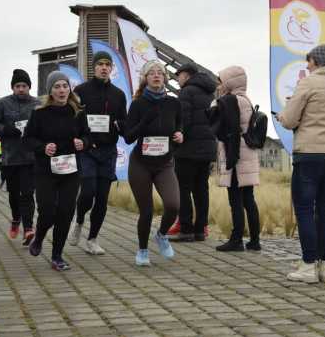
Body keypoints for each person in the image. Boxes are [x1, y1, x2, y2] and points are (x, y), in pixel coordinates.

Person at [276, 38, 325, 283]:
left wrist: (284, 114)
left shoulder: (308, 83)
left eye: (308, 62)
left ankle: (308, 266)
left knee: (305, 210)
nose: (307, 66)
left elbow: (290, 119)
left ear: (316, 61)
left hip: (309, 154)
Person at [24, 71, 91, 271]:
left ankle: (57, 256)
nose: (62, 90)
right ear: (50, 91)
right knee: (47, 210)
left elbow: (88, 137)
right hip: (46, 171)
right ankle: (39, 236)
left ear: (69, 89)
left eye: (64, 86)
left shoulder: (78, 112)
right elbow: (27, 139)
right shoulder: (39, 113)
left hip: (71, 170)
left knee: (65, 212)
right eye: (57, 87)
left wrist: (83, 143)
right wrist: (43, 148)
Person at [124, 60, 183, 266]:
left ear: (165, 78)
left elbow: (179, 125)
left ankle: (161, 235)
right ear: (146, 79)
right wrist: (144, 121)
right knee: (146, 211)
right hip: (141, 163)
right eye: (152, 73)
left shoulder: (174, 103)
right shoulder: (138, 104)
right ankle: (142, 251)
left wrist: (179, 134)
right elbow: (128, 137)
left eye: (160, 73)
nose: (157, 76)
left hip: (164, 163)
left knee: (173, 205)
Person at [68, 51, 127, 255]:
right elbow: (73, 118)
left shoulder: (118, 95)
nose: (104, 67)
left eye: (107, 64)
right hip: (87, 150)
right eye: (100, 64)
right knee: (88, 192)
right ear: (94, 67)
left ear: (111, 68)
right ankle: (79, 220)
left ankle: (92, 239)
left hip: (108, 151)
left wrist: (122, 126)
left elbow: (124, 121)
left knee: (102, 198)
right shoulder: (81, 91)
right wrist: (79, 139)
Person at [210, 66, 261, 252]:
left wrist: (216, 102)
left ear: (230, 82)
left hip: (236, 155)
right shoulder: (245, 99)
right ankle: (255, 240)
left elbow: (221, 126)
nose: (219, 84)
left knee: (235, 199)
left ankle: (236, 239)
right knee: (248, 198)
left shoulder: (231, 101)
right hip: (247, 153)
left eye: (221, 81)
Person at [0, 69, 39, 245]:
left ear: (29, 87)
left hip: (31, 158)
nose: (21, 89)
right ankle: (16, 218)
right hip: (10, 158)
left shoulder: (37, 105)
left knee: (27, 193)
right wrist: (4, 129)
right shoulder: (2, 105)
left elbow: (46, 127)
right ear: (12, 88)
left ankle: (29, 229)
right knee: (14, 195)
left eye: (24, 86)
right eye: (17, 86)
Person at [168, 63, 217, 242]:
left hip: (187, 150)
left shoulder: (186, 93)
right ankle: (200, 230)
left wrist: (177, 137)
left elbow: (184, 121)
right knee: (201, 189)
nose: (177, 78)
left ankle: (186, 229)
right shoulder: (210, 93)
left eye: (178, 75)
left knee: (183, 189)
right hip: (207, 150)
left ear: (186, 75)